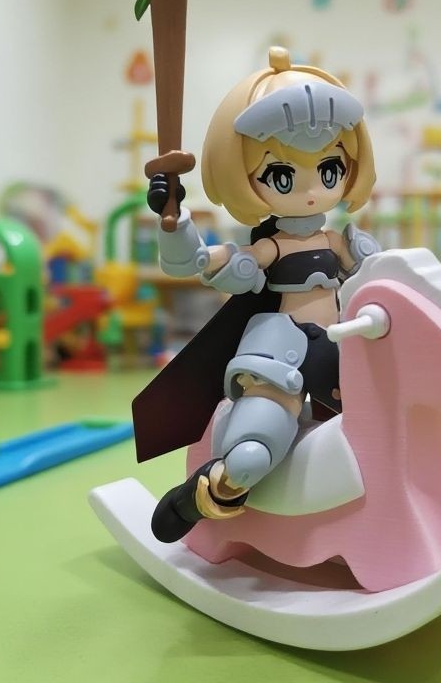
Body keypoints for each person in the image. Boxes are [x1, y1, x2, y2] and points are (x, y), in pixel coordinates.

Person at [135, 47, 381, 542]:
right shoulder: (270, 249)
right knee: (252, 452)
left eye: (329, 170)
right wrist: (174, 220)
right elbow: (194, 262)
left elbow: (384, 280)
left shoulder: (344, 243)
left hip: (343, 351)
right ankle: (211, 490)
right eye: (282, 175)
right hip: (282, 352)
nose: (311, 190)